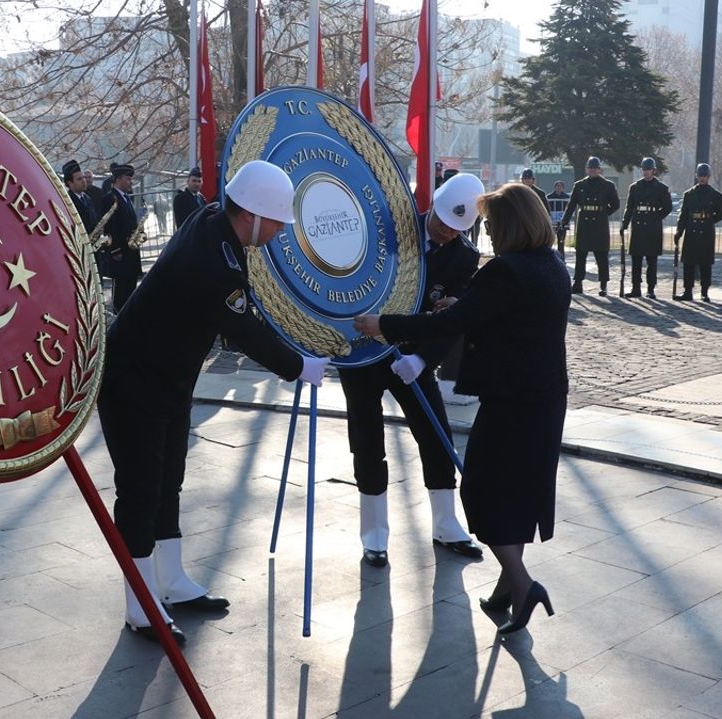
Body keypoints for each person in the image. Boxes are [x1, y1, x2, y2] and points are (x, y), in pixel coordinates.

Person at [99, 160, 330, 645]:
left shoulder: (214, 223)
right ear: (253, 215)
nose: (280, 233)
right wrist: (297, 366)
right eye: (278, 223)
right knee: (141, 489)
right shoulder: (214, 257)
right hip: (135, 380)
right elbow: (242, 327)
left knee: (168, 481)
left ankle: (171, 580)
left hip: (166, 378)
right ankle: (141, 604)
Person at [353, 183, 569, 635]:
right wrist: (466, 306)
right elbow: (507, 317)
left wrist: (383, 325)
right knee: (520, 493)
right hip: (546, 398)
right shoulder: (552, 264)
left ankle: (525, 585)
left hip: (511, 401)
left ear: (508, 225)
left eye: (489, 223)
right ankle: (506, 589)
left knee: (482, 492)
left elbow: (455, 322)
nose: (485, 231)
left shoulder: (504, 271)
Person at [340, 174, 484, 568]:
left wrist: (421, 359)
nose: (446, 235)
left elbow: (452, 320)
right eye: (441, 225)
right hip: (365, 353)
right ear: (432, 208)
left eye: (457, 230)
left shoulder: (464, 257)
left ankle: (446, 524)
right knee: (367, 443)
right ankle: (374, 534)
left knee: (436, 437)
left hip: (411, 359)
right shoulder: (388, 230)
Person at [560, 156, 620, 295]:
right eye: (590, 168)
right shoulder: (579, 185)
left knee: (601, 254)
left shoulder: (608, 185)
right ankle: (578, 282)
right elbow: (571, 205)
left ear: (599, 170)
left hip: (599, 222)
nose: (592, 170)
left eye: (595, 168)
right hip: (584, 221)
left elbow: (615, 204)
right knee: (581, 254)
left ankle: (603, 284)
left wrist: (603, 212)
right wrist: (564, 222)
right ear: (587, 169)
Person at [620, 157, 673, 299]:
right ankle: (635, 288)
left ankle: (650, 289)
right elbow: (629, 207)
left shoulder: (661, 188)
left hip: (652, 227)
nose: (646, 172)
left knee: (651, 260)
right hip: (638, 225)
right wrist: (624, 224)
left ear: (653, 171)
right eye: (644, 169)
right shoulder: (635, 187)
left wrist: (656, 217)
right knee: (636, 260)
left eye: (648, 169)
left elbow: (668, 207)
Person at [673, 163, 722, 302]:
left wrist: (709, 220)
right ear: (696, 176)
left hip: (706, 232)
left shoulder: (715, 195)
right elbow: (683, 215)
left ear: (708, 177)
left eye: (705, 176)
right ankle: (687, 290)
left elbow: (721, 213)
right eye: (700, 175)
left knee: (705, 263)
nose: (702, 178)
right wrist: (679, 231)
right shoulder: (689, 194)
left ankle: (704, 291)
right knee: (688, 263)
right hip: (691, 231)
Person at [99, 162, 142, 311]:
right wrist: (115, 249)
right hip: (120, 250)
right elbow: (110, 226)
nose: (130, 182)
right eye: (128, 179)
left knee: (130, 283)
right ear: (117, 179)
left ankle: (128, 311)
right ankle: (119, 312)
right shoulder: (110, 198)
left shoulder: (126, 197)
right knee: (121, 286)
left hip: (131, 248)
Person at [546, 180, 570, 254]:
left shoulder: (567, 197)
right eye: (557, 186)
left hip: (563, 221)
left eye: (560, 186)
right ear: (554, 187)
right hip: (552, 221)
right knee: (550, 240)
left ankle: (561, 257)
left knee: (561, 240)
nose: (559, 187)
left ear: (563, 188)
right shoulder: (549, 197)